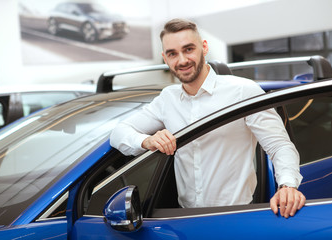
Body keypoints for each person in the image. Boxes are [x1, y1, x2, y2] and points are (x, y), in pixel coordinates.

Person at [110, 18, 306, 218]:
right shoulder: (167, 99)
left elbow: (279, 145)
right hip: (185, 220)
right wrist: (147, 140)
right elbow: (118, 133)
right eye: (172, 54)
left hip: (234, 217)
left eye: (188, 49)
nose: (182, 60)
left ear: (204, 47)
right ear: (165, 58)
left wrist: (287, 185)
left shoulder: (243, 91)